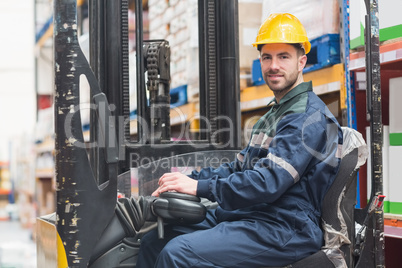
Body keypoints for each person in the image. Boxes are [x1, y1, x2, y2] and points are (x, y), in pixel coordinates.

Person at [136, 13, 343, 267]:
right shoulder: (273, 115)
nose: (273, 65)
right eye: (267, 57)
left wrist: (199, 189)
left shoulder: (305, 117)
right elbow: (237, 168)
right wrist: (190, 179)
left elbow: (267, 183)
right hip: (254, 214)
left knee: (178, 253)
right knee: (152, 243)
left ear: (302, 62)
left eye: (283, 57)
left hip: (285, 226)